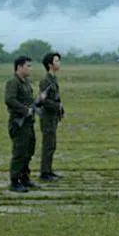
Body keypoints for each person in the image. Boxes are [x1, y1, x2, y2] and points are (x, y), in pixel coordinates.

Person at [4, 56, 41, 193]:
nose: (30, 68)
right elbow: (9, 100)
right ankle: (14, 182)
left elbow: (29, 101)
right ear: (19, 67)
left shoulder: (26, 83)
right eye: (28, 66)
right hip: (18, 123)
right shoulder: (13, 82)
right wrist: (25, 110)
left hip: (28, 123)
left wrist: (38, 101)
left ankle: (24, 178)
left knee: (28, 151)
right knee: (19, 152)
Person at [37, 51, 65, 182]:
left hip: (53, 117)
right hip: (47, 117)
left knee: (52, 145)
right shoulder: (45, 81)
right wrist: (57, 106)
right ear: (50, 64)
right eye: (56, 61)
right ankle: (44, 173)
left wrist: (60, 110)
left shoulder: (53, 79)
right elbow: (43, 101)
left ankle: (49, 170)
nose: (59, 63)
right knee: (48, 145)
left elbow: (56, 98)